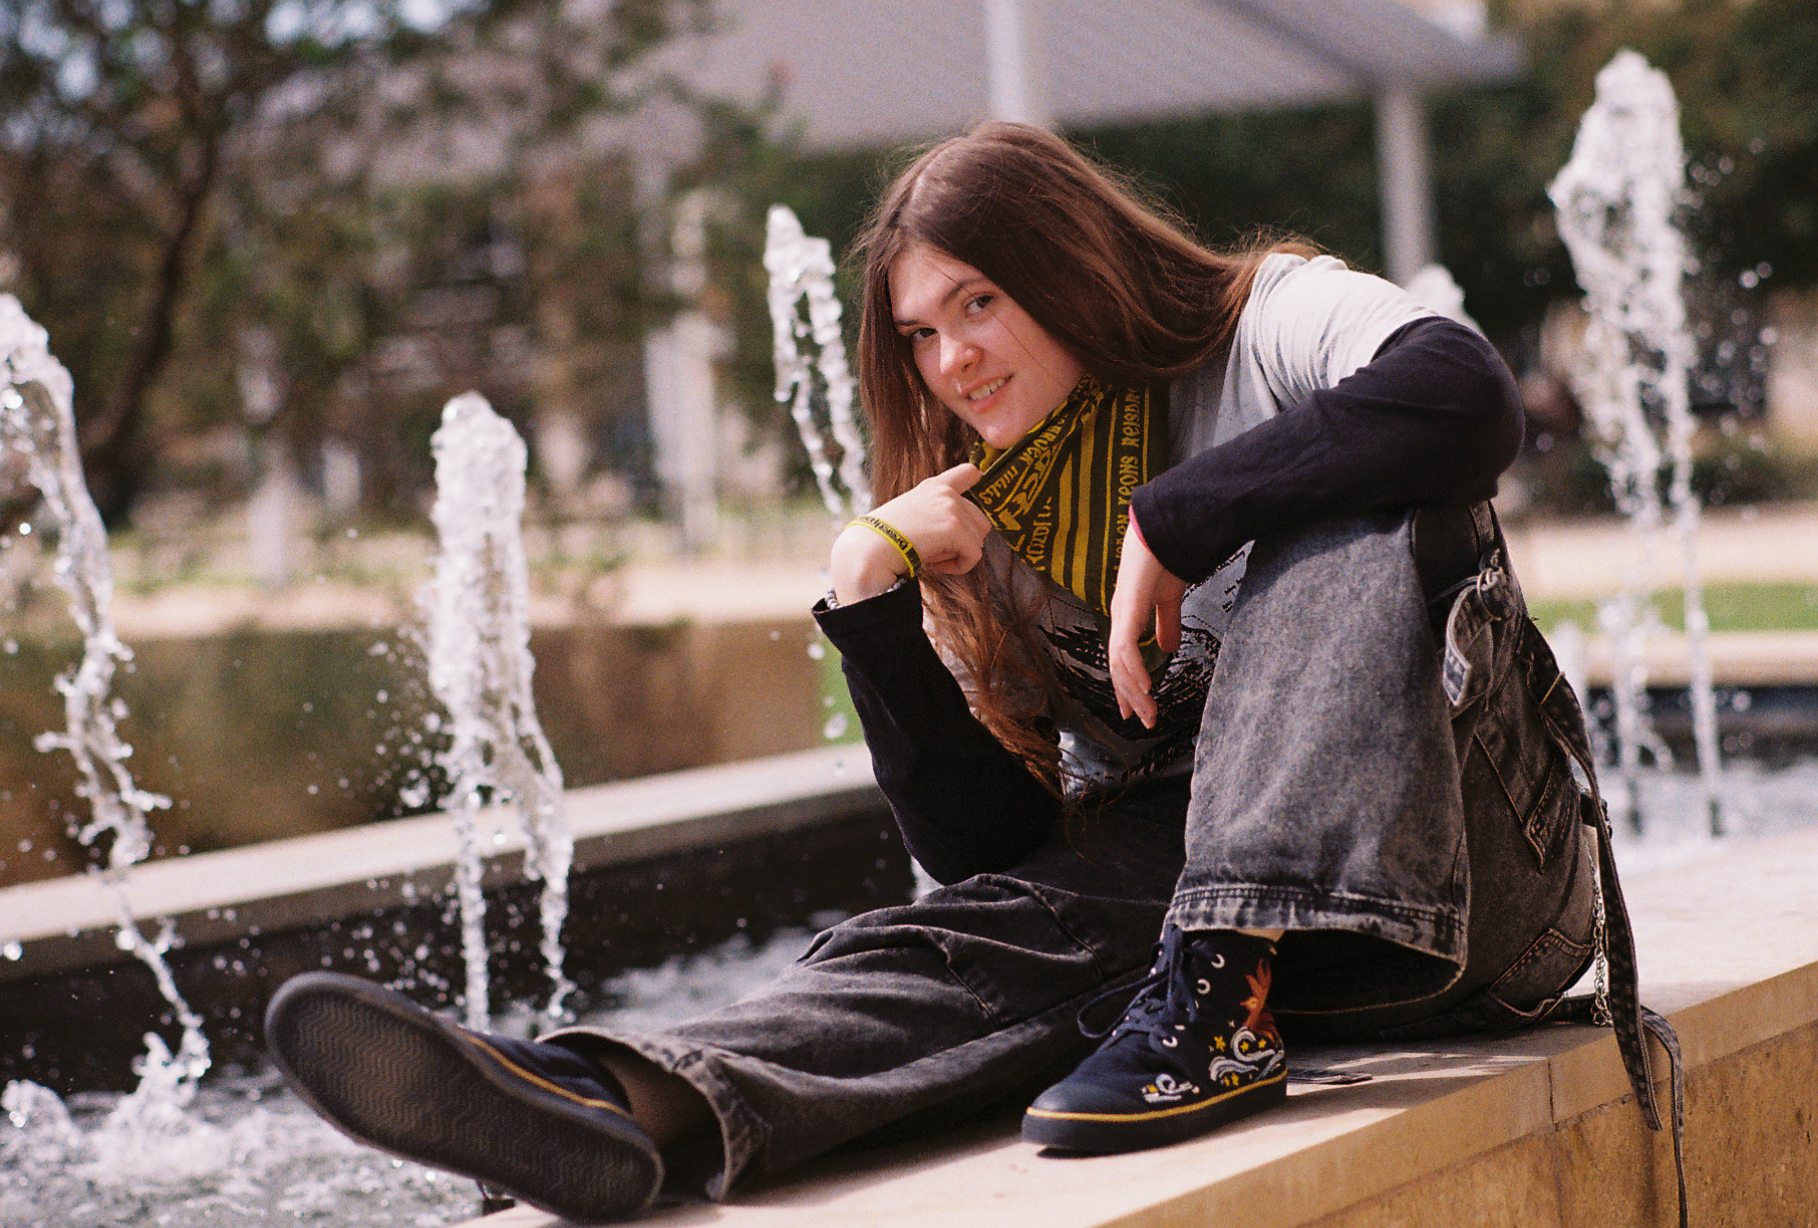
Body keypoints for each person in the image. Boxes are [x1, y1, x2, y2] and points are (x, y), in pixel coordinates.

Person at [265, 122, 1655, 1223]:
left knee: (1340, 498)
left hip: (1482, 898)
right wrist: (871, 599)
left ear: (1073, 267)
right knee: (981, 929)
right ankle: (626, 1100)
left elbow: (1462, 396)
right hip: (1284, 973)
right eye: (921, 334)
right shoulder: (988, 510)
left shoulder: (1270, 320)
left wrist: (1178, 517)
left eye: (979, 303)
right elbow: (999, 861)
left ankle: (1215, 990)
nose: (953, 361)